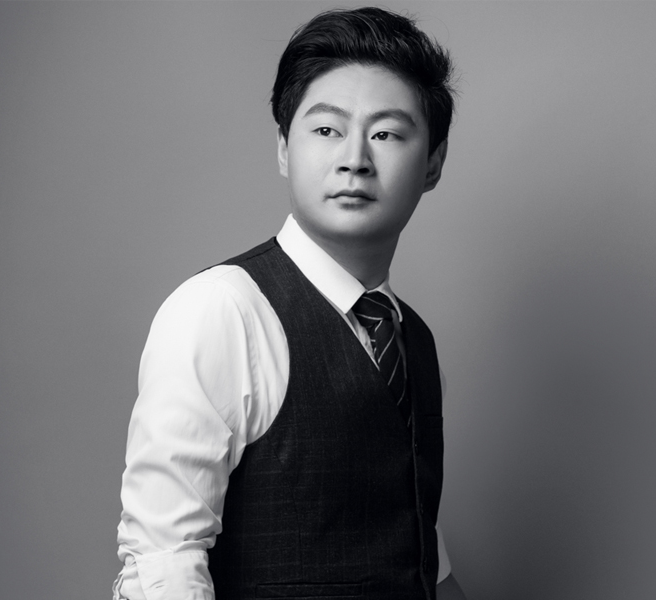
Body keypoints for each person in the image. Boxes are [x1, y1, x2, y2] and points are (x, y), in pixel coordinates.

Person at [114, 7, 467, 600]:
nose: (355, 159)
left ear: (433, 162)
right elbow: (163, 561)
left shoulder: (413, 339)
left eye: (386, 134)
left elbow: (418, 548)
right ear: (283, 148)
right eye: (326, 130)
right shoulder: (222, 310)